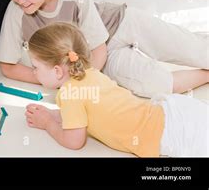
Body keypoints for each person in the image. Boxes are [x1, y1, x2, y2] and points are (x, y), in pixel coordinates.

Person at [0, 0, 209, 98]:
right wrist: (62, 82)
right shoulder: (16, 12)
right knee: (154, 84)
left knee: (194, 50)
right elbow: (7, 66)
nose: (20, 0)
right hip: (101, 61)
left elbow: (98, 47)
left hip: (122, 24)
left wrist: (72, 82)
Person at [25, 22, 208, 157]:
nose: (33, 72)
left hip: (167, 134)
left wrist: (48, 123)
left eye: (36, 67)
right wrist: (52, 115)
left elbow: (74, 141)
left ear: (57, 71)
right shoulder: (89, 73)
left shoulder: (69, 93)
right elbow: (83, 114)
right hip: (172, 114)